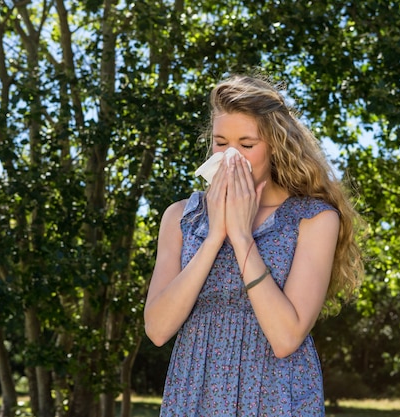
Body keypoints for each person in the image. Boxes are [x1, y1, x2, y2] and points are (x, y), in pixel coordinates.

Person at [144, 74, 363, 416]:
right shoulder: (179, 218)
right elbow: (157, 330)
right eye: (220, 143)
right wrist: (216, 234)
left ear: (275, 145)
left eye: (246, 145)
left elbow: (286, 337)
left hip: (275, 394)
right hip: (195, 393)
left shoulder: (314, 219)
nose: (231, 157)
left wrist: (243, 237)